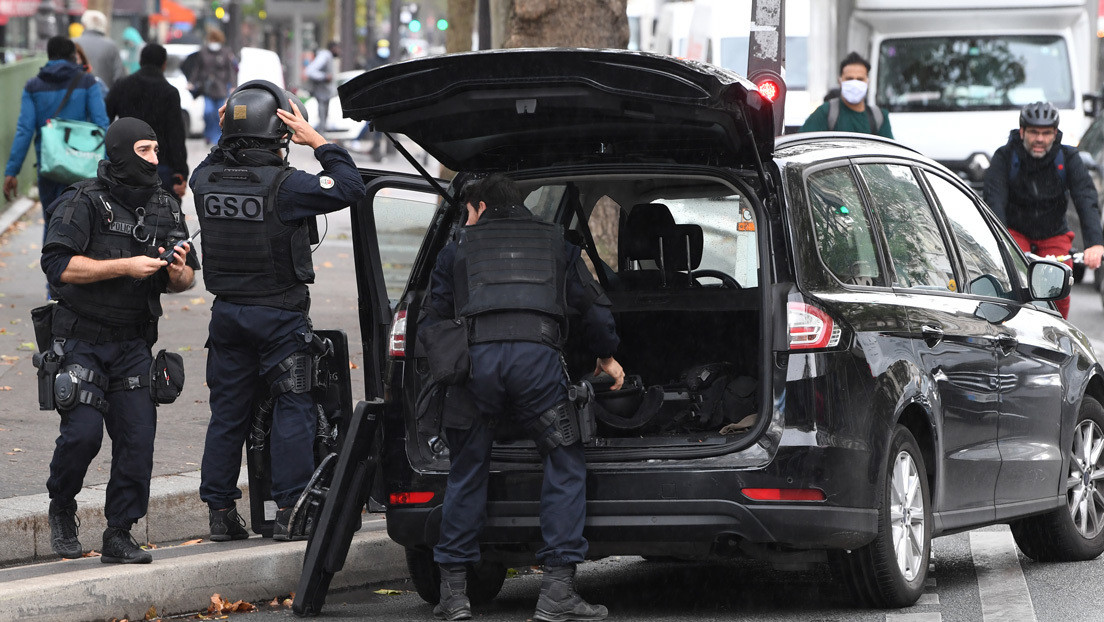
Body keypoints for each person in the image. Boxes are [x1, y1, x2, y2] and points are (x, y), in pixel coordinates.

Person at [421, 174, 624, 622]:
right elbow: (594, 312)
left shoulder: (456, 250)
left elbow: (431, 323)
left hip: (476, 369)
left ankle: (454, 595)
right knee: (564, 463)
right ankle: (556, 592)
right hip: (537, 366)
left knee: (467, 470)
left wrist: (453, 371)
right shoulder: (557, 245)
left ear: (477, 208)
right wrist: (605, 356)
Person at [191, 80, 365, 542]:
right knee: (294, 407)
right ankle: (291, 511)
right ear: (281, 136)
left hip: (227, 317)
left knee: (228, 414)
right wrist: (320, 141)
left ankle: (220, 513)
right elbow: (350, 185)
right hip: (279, 318)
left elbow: (215, 155)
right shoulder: (287, 187)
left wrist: (231, 124)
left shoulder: (202, 180)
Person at [39, 117, 199, 563]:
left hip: (134, 345)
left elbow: (184, 281)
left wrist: (175, 269)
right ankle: (62, 504)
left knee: (137, 441)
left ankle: (119, 532)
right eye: (145, 151)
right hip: (81, 339)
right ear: (122, 152)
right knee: (83, 436)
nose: (154, 160)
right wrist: (125, 266)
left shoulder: (166, 205)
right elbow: (59, 267)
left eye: (155, 150)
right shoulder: (83, 199)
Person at [983, 101, 1104, 318]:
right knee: (1013, 283)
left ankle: (1057, 335)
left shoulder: (1067, 157)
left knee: (1058, 285)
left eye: (1046, 133)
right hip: (1014, 232)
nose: (1040, 139)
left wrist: (1095, 244)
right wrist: (999, 243)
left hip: (1053, 233)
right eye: (1034, 132)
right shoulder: (1005, 156)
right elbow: (994, 201)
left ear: (1055, 133)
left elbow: (1086, 198)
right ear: (1022, 131)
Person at [3, 36, 109, 228]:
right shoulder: (87, 82)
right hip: (82, 165)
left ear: (49, 56)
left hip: (49, 166)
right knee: (82, 225)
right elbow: (101, 125)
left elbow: (25, 130)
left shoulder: (33, 86)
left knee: (52, 223)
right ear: (73, 56)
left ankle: (51, 257)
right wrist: (108, 164)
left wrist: (12, 170)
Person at [105, 43, 189, 199]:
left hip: (125, 162)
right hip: (159, 164)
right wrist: (180, 171)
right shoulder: (169, 92)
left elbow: (105, 120)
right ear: (164, 64)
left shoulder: (122, 86)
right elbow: (175, 134)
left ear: (140, 61)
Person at [799, 51, 893, 138]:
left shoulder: (879, 117)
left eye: (860, 79)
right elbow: (802, 145)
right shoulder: (826, 113)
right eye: (849, 79)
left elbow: (890, 152)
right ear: (840, 81)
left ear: (868, 82)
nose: (855, 83)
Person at [185, 29, 238, 145]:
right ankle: (208, 135)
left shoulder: (225, 52)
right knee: (208, 112)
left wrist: (233, 85)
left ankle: (217, 137)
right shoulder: (203, 52)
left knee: (219, 114)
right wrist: (191, 82)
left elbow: (231, 71)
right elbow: (197, 69)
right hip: (207, 88)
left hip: (221, 88)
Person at [73, 10, 126, 92]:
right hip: (103, 98)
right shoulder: (111, 46)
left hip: (75, 97)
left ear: (84, 25)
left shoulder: (73, 43)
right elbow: (119, 77)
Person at [304, 41, 339, 133]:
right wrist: (324, 77)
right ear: (333, 48)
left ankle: (322, 136)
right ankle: (321, 137)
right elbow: (310, 71)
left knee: (324, 117)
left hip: (325, 93)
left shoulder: (328, 56)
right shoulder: (326, 55)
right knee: (322, 116)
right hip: (321, 93)